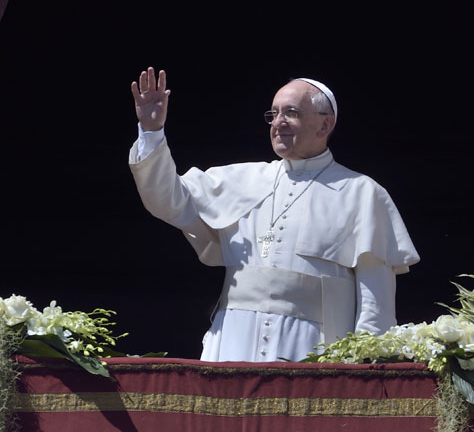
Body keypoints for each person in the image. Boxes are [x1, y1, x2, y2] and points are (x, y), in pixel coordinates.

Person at [128, 67, 420, 362]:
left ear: (324, 125)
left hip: (316, 350)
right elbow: (165, 199)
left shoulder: (362, 193)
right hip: (232, 344)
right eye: (273, 114)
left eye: (291, 113)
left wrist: (370, 363)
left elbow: (376, 300)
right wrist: (151, 133)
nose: (278, 123)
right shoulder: (241, 179)